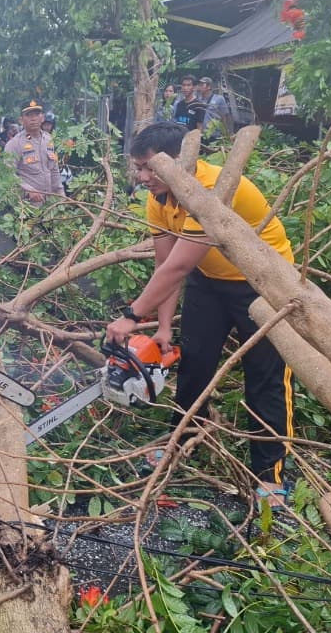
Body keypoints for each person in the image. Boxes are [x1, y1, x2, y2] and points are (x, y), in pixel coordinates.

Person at [105, 122, 295, 510]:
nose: (141, 177)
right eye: (137, 168)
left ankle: (270, 476)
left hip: (264, 284)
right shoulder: (158, 198)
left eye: (147, 168)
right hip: (210, 281)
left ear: (176, 162)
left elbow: (178, 267)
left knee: (265, 379)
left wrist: (130, 316)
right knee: (193, 365)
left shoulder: (211, 188)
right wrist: (160, 329)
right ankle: (179, 443)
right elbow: (165, 265)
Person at [5, 98, 62, 204]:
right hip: (26, 208)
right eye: (29, 115)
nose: (33, 119)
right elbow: (7, 175)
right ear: (21, 120)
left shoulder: (48, 139)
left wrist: (62, 198)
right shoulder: (14, 144)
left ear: (43, 117)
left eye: (37, 114)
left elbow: (54, 170)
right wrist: (27, 190)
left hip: (49, 206)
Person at [197, 76, 233, 141]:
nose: (200, 87)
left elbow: (224, 117)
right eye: (199, 85)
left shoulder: (219, 99)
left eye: (202, 84)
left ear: (209, 87)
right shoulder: (198, 100)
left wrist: (226, 134)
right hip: (201, 135)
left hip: (214, 135)